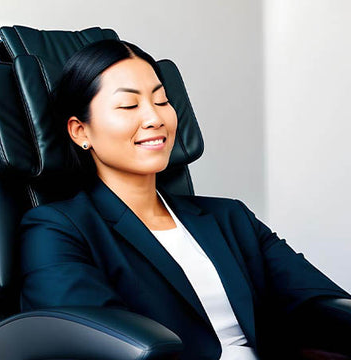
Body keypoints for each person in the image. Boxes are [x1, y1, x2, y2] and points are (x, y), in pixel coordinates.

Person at [18, 39, 351, 360]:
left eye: (162, 101)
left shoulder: (230, 217)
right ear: (80, 131)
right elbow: (96, 345)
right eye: (129, 105)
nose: (155, 118)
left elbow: (318, 300)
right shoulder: (56, 230)